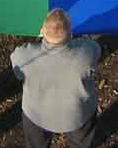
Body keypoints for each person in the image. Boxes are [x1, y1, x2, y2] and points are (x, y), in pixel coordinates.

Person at [11, 9, 101, 148]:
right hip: (76, 115)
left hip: (37, 114)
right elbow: (96, 48)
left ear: (42, 30)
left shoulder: (24, 55)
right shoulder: (85, 54)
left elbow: (18, 72)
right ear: (70, 33)